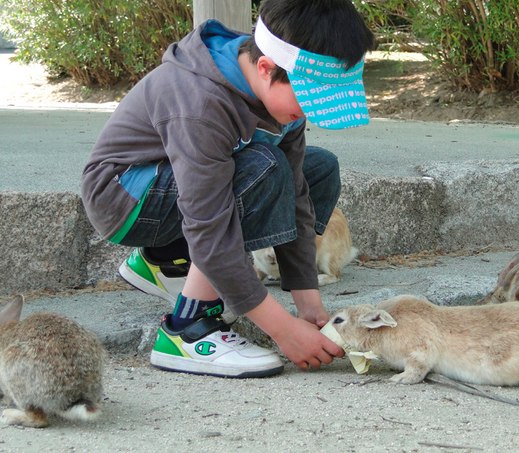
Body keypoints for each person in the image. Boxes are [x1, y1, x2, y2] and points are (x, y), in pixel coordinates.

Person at [81, 0, 375, 378]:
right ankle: (187, 329)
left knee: (318, 169)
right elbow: (208, 223)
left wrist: (308, 304)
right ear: (267, 69)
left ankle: (166, 260)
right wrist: (282, 330)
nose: (311, 113)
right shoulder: (200, 100)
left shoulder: (277, 91)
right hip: (126, 199)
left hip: (182, 189)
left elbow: (299, 196)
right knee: (265, 168)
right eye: (309, 98)